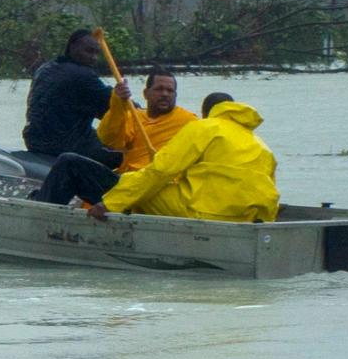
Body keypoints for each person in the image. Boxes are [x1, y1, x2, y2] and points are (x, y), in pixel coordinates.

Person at [87, 91, 280, 223]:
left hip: (206, 213)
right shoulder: (260, 144)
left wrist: (111, 203)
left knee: (138, 188)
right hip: (251, 217)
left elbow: (161, 170)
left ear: (206, 113)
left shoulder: (203, 127)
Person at [30, 70, 198, 208]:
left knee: (68, 162)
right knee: (69, 163)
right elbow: (109, 139)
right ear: (146, 93)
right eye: (159, 89)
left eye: (170, 91)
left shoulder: (189, 121)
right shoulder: (135, 116)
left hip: (156, 190)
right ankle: (42, 210)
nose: (165, 94)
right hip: (127, 185)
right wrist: (118, 102)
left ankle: (40, 205)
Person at [22, 28, 120, 168]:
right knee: (124, 156)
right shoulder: (82, 76)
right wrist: (147, 115)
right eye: (89, 51)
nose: (94, 58)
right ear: (72, 47)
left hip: (34, 140)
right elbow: (117, 107)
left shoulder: (45, 68)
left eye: (96, 53)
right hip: (64, 144)